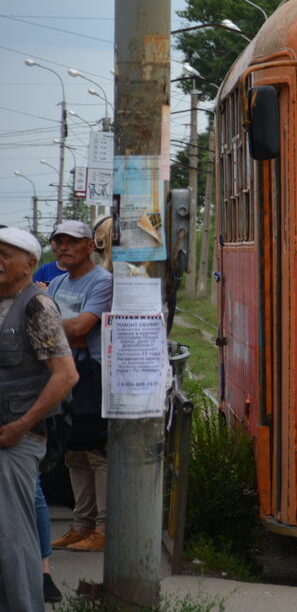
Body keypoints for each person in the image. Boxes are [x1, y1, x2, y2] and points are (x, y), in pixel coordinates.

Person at [0, 227, 78, 612]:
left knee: (13, 536)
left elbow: (66, 376)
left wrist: (20, 425)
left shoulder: (37, 306)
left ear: (29, 264)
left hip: (17, 436)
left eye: (5, 254)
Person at [45, 220, 112, 554]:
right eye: (58, 242)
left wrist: (65, 330)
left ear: (89, 245)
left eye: (71, 242)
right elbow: (64, 329)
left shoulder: (102, 281)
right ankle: (82, 524)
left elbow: (83, 326)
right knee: (73, 453)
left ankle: (104, 528)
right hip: (63, 371)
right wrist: (69, 331)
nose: (62, 248)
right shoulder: (56, 283)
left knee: (98, 452)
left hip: (93, 374)